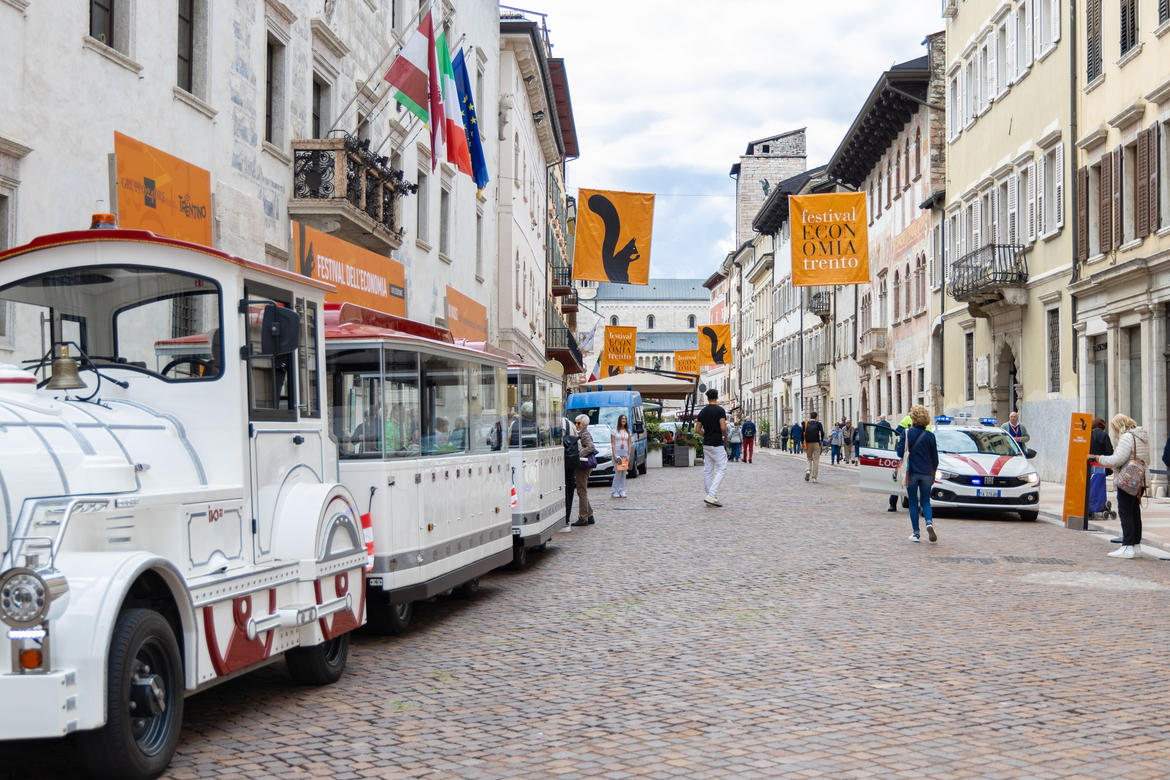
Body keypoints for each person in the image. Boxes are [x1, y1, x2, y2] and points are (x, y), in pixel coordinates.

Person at [1096, 414, 1149, 558]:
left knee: (1125, 512)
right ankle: (1136, 546)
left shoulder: (1127, 437)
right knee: (1134, 512)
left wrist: (1099, 458)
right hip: (1140, 479)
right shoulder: (1142, 436)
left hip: (1128, 479)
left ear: (1118, 426)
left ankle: (1127, 546)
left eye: (1114, 427)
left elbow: (1117, 459)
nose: (1114, 431)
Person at [897, 405, 940, 543]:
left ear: (913, 418)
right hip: (927, 473)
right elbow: (935, 458)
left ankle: (916, 533)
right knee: (926, 501)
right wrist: (933, 473)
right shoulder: (930, 436)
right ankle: (929, 523)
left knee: (913, 502)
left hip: (912, 472)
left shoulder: (907, 433)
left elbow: (899, 453)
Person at [695, 388, 728, 506]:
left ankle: (710, 495)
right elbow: (723, 427)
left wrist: (706, 434)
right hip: (717, 443)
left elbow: (697, 430)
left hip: (706, 444)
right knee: (722, 468)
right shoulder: (720, 410)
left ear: (707, 398)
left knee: (708, 470)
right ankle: (711, 495)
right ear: (717, 397)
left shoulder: (703, 411)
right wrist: (725, 436)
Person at [570, 415, 597, 526]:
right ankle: (589, 515)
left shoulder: (584, 434)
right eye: (575, 422)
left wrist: (579, 454)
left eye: (578, 423)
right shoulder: (581, 433)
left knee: (581, 491)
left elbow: (591, 447)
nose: (576, 425)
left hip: (584, 466)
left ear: (584, 424)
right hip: (583, 466)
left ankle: (583, 517)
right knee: (582, 490)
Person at [611, 414, 632, 498]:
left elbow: (629, 444)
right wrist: (614, 455)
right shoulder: (614, 431)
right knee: (618, 473)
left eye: (625, 419)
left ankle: (622, 490)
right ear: (619, 420)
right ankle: (614, 491)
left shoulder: (628, 431)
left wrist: (629, 455)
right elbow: (613, 443)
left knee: (624, 473)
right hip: (617, 455)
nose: (624, 420)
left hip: (625, 455)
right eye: (622, 419)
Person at [803, 411, 825, 482]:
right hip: (816, 443)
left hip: (808, 443)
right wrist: (821, 441)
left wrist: (802, 442)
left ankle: (808, 470)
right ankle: (814, 477)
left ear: (810, 417)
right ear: (816, 417)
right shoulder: (818, 423)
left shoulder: (806, 423)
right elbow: (822, 432)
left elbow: (802, 433)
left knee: (809, 458)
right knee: (816, 460)